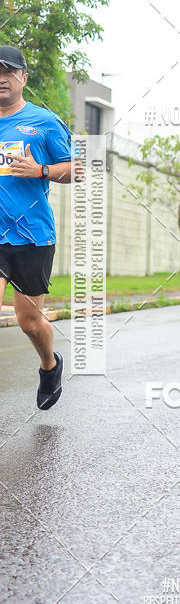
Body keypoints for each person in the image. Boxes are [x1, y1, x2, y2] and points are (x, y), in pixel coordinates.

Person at [0, 45, 75, 409]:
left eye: (9, 71)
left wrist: (41, 170)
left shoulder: (44, 122)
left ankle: (49, 364)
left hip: (32, 235)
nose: (2, 78)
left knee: (30, 323)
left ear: (23, 77)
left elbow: (77, 168)